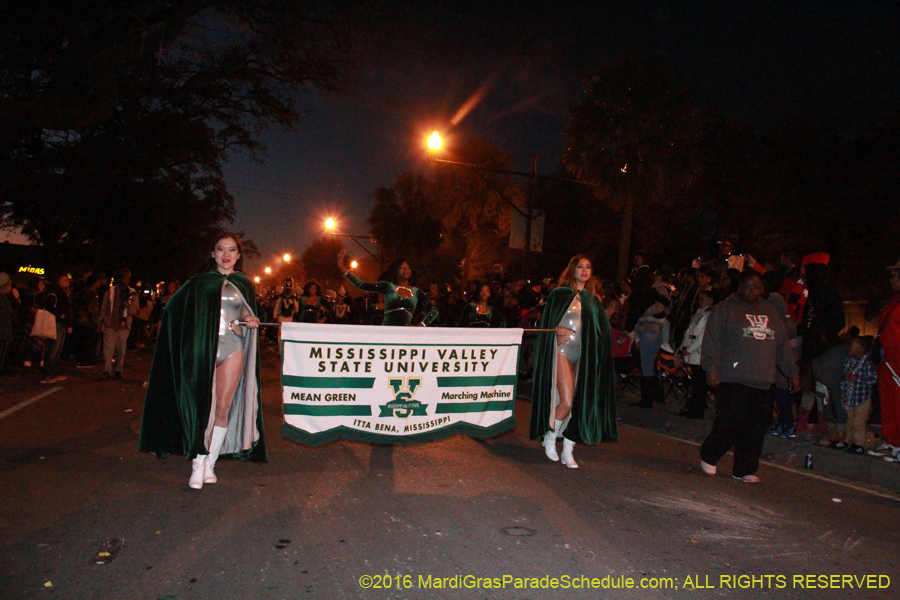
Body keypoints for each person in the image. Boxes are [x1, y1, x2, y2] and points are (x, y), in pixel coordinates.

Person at [140, 232, 267, 489]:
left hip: (233, 349)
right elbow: (173, 308)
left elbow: (246, 309)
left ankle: (210, 463)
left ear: (239, 255)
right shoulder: (199, 282)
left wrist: (250, 319)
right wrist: (187, 333)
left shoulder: (244, 283)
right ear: (212, 253)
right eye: (220, 249)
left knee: (223, 407)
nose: (226, 255)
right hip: (202, 350)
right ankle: (197, 463)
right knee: (202, 406)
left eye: (231, 250)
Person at [699, 271, 799, 483]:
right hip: (733, 377)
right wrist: (710, 367)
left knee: (755, 429)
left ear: (762, 289)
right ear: (739, 287)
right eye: (747, 286)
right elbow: (712, 340)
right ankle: (709, 454)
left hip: (762, 381)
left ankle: (745, 469)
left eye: (756, 287)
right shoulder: (725, 309)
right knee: (729, 423)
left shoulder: (771, 314)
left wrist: (792, 373)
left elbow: (782, 348)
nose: (751, 290)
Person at [529, 255, 617, 469]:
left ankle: (568, 449)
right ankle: (550, 439)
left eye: (588, 267)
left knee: (580, 403)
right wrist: (556, 331)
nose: (584, 270)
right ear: (572, 269)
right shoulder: (559, 295)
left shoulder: (593, 300)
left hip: (585, 355)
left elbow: (600, 331)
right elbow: (549, 324)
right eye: (580, 266)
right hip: (562, 350)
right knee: (566, 401)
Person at [337, 249, 438, 326]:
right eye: (401, 267)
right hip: (387, 332)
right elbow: (361, 284)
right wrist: (343, 268)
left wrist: (421, 325)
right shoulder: (387, 286)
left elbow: (434, 311)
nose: (406, 270)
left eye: (408, 268)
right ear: (395, 271)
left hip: (406, 335)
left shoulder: (417, 292)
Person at [677, 289, 715, 419]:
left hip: (699, 353)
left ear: (710, 300)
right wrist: (683, 345)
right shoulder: (698, 313)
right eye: (700, 299)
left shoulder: (709, 315)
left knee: (699, 384)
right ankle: (692, 408)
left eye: (703, 299)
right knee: (694, 383)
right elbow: (689, 331)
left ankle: (697, 410)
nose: (700, 302)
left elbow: (702, 337)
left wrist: (689, 348)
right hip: (692, 351)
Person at [876, 261, 900, 462]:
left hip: (897, 358)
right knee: (888, 399)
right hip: (887, 357)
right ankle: (892, 441)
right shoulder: (894, 300)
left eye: (894, 276)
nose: (891, 280)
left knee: (898, 401)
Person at [98, 269, 140, 380]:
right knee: (108, 350)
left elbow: (135, 310)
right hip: (110, 324)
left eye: (127, 278)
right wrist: (100, 322)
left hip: (124, 326)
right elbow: (104, 307)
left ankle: (118, 370)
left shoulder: (132, 293)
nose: (125, 280)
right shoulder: (111, 291)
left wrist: (128, 306)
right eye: (123, 277)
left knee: (121, 350)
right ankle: (107, 371)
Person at [841, 336, 877, 455]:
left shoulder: (867, 363)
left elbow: (873, 379)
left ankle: (859, 444)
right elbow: (844, 374)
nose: (848, 347)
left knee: (859, 422)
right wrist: (845, 377)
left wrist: (858, 379)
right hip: (850, 396)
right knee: (850, 420)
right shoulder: (849, 360)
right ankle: (848, 441)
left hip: (862, 398)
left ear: (860, 350)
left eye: (851, 346)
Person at [39, 274, 73, 384]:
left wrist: (68, 323)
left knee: (57, 351)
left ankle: (54, 372)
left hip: (62, 324)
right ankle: (46, 374)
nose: (66, 281)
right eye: (63, 280)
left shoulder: (63, 293)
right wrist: (60, 315)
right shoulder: (54, 293)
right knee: (52, 349)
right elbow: (49, 308)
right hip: (55, 324)